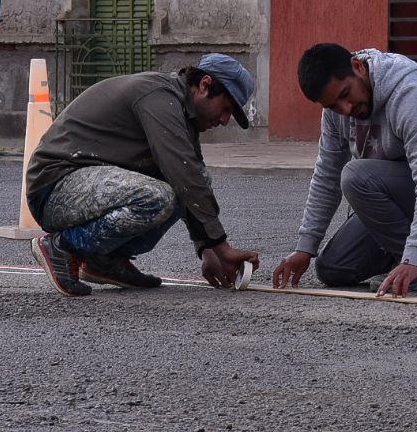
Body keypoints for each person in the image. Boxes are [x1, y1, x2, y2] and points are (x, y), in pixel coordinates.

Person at [24, 53, 260, 297]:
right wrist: (221, 247)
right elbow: (183, 172)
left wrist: (207, 248)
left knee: (193, 181)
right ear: (204, 85)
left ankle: (103, 260)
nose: (224, 120)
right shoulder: (158, 97)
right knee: (157, 196)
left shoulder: (180, 112)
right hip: (55, 186)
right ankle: (63, 246)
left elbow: (192, 179)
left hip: (87, 185)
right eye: (225, 108)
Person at [271, 44, 417, 297]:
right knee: (333, 269)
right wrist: (305, 248)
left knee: (356, 177)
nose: (345, 109)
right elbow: (326, 176)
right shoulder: (334, 113)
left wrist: (413, 257)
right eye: (333, 105)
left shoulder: (409, 94)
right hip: (406, 197)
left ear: (357, 67)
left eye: (345, 94)